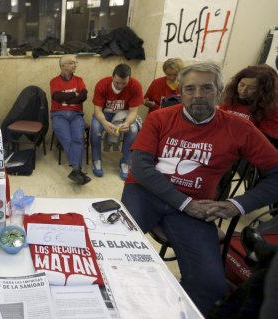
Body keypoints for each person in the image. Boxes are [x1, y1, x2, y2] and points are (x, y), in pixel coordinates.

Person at [120, 63, 278, 314]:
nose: (197, 95)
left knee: (210, 285)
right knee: (112, 255)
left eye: (206, 88)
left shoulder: (240, 128)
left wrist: (235, 205)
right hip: (146, 192)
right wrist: (185, 204)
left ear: (220, 91)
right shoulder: (160, 117)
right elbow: (139, 167)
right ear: (180, 92)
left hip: (197, 206)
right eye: (190, 89)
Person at [90, 63, 143, 179]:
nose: (120, 86)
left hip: (124, 114)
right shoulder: (102, 84)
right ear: (112, 77)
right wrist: (104, 123)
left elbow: (133, 111)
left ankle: (125, 162)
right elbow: (97, 110)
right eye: (117, 82)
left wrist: (127, 123)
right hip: (104, 114)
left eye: (124, 83)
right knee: (95, 129)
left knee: (133, 130)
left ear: (129, 78)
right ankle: (96, 160)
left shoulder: (135, 86)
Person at [49, 54, 91, 185]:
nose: (75, 65)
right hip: (58, 114)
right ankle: (77, 170)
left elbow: (83, 96)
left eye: (76, 63)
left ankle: (76, 171)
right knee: (67, 139)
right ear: (63, 66)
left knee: (78, 138)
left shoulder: (79, 80)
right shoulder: (54, 81)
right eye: (72, 63)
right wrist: (74, 94)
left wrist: (66, 98)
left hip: (76, 114)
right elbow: (56, 96)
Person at [219, 65, 278, 147]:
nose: (243, 91)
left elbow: (264, 141)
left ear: (262, 90)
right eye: (242, 84)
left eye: (251, 88)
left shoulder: (270, 109)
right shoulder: (231, 100)